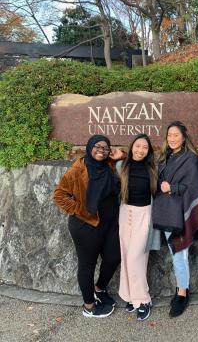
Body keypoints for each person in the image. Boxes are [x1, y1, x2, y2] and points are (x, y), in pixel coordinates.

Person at [54, 135, 123, 318]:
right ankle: (89, 306)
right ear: (90, 147)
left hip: (110, 224)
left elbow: (122, 158)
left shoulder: (108, 164)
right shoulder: (78, 169)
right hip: (86, 225)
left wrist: (119, 155)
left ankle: (99, 289)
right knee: (87, 265)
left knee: (113, 257)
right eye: (97, 146)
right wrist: (79, 209)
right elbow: (59, 194)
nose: (101, 150)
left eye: (105, 147)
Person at [150, 121, 198, 318]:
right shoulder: (164, 158)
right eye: (169, 135)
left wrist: (172, 188)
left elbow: (194, 188)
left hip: (181, 214)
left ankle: (182, 293)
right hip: (166, 213)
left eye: (176, 135)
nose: (172, 138)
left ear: (183, 137)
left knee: (179, 255)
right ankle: (181, 289)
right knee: (175, 253)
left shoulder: (190, 159)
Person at [117, 134, 157, 321]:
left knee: (136, 258)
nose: (140, 150)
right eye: (138, 146)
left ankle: (143, 299)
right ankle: (131, 297)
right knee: (126, 256)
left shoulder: (153, 169)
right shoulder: (121, 166)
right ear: (132, 146)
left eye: (145, 147)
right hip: (125, 214)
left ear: (148, 151)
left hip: (144, 215)